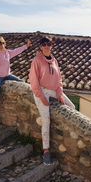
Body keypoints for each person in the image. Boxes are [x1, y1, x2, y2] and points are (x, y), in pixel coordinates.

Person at [29, 36, 75, 165]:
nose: (46, 46)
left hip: (53, 90)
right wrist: (41, 97)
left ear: (51, 45)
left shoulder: (54, 60)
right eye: (43, 44)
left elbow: (59, 79)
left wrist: (59, 93)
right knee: (46, 120)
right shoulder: (36, 60)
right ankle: (46, 151)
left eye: (48, 44)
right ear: (40, 46)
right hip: (41, 91)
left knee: (71, 107)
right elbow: (33, 80)